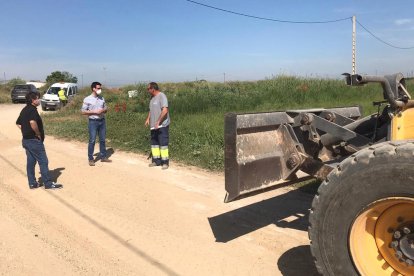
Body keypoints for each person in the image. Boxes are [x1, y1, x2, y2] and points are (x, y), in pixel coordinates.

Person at [16, 92, 63, 189]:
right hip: (34, 140)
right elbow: (32, 122)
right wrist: (37, 134)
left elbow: (18, 123)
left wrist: (26, 131)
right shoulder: (32, 110)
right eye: (38, 98)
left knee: (31, 162)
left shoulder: (24, 109)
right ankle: (48, 183)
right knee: (43, 161)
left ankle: (32, 183)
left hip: (26, 140)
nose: (39, 100)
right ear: (33, 100)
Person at [81, 81, 111, 166]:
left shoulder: (102, 98)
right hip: (93, 122)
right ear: (93, 88)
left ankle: (103, 157)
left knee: (102, 140)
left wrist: (103, 110)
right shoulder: (87, 99)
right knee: (92, 140)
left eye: (100, 88)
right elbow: (83, 111)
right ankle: (91, 159)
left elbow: (106, 108)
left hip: (102, 121)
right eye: (98, 88)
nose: (100, 89)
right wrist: (94, 112)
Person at [145, 82, 170, 169]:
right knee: (154, 144)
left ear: (153, 89)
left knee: (163, 145)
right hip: (153, 126)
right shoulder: (152, 98)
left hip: (162, 125)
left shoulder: (162, 96)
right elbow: (150, 110)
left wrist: (158, 121)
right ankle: (156, 161)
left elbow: (165, 110)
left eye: (148, 89)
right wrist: (148, 119)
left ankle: (165, 163)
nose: (147, 90)